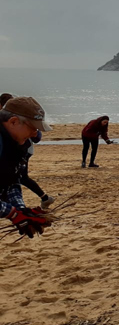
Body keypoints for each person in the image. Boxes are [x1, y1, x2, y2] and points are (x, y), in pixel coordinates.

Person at [0, 97, 54, 239]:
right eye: (33, 128)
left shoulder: (16, 145)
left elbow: (12, 181)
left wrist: (21, 210)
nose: (36, 134)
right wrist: (13, 213)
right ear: (13, 122)